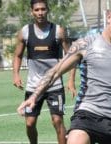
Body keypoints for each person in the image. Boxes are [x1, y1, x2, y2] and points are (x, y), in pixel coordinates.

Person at [17, 1, 111, 144]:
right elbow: (55, 71)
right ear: (109, 17)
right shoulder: (85, 44)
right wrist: (34, 96)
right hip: (87, 115)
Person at [12, 0, 76, 143]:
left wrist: (71, 80)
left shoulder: (58, 31)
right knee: (29, 123)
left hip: (54, 86)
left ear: (47, 10)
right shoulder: (25, 32)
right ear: (32, 11)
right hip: (33, 86)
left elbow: (72, 55)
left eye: (43, 9)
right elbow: (17, 55)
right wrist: (15, 74)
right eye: (37, 10)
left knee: (57, 121)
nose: (40, 13)